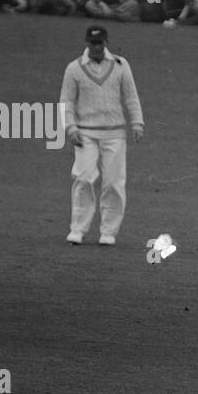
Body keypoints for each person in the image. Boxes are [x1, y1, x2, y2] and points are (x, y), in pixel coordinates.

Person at [60, 25, 146, 246]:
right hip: (84, 132)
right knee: (83, 178)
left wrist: (137, 122)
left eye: (100, 43)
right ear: (86, 43)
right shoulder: (74, 68)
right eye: (92, 43)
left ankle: (108, 231)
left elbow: (130, 96)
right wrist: (70, 127)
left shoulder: (120, 65)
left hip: (115, 132)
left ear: (106, 42)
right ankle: (78, 228)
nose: (96, 47)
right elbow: (66, 101)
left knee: (114, 183)